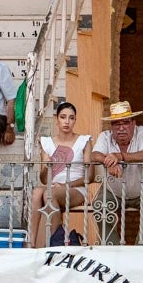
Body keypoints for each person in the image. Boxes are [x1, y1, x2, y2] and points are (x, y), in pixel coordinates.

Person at [91, 100, 143, 246]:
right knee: (99, 205)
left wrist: (120, 157)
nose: (121, 128)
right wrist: (108, 161)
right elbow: (95, 155)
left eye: (126, 123)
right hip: (114, 191)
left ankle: (141, 249)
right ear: (112, 126)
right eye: (117, 124)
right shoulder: (105, 136)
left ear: (133, 123)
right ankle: (113, 248)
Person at [29, 101, 92, 248]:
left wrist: (66, 185)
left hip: (75, 188)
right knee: (37, 192)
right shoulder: (46, 142)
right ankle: (31, 243)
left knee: (48, 194)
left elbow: (90, 176)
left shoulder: (84, 141)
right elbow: (44, 180)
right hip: (53, 187)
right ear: (57, 119)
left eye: (71, 118)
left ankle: (55, 244)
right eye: (63, 117)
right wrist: (47, 167)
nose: (67, 121)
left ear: (75, 120)